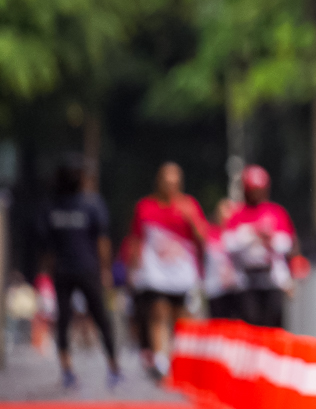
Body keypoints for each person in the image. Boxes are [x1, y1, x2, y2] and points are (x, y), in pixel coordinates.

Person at [37, 155, 118, 388]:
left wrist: (105, 269)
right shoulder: (52, 205)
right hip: (65, 270)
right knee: (64, 320)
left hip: (86, 268)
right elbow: (47, 243)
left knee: (100, 317)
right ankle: (67, 369)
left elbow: (102, 240)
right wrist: (48, 270)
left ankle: (113, 366)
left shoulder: (91, 204)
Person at [125, 161, 208, 381]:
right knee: (158, 311)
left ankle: (180, 361)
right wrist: (132, 269)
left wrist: (192, 219)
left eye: (175, 182)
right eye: (166, 181)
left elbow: (204, 237)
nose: (171, 186)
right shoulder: (145, 207)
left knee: (182, 320)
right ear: (158, 182)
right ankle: (161, 360)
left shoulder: (189, 205)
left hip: (182, 274)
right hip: (155, 274)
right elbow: (136, 239)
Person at [221, 166, 299, 329]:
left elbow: (287, 244)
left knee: (273, 324)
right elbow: (228, 244)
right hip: (246, 281)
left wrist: (270, 238)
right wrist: (251, 233)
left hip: (271, 279)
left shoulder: (276, 212)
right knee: (251, 324)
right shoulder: (237, 214)